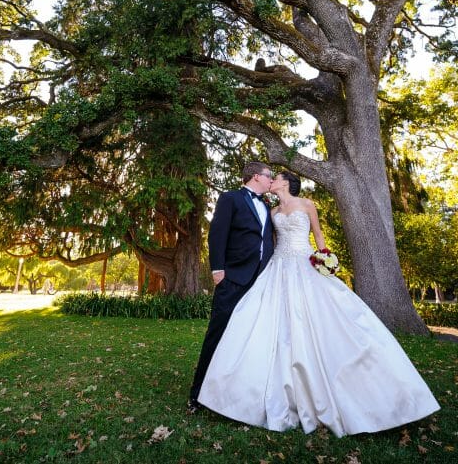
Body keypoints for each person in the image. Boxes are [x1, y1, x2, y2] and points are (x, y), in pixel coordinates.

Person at [197, 171, 440, 436]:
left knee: (327, 321)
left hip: (304, 263)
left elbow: (319, 236)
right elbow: (265, 242)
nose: (272, 182)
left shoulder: (307, 205)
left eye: (275, 178)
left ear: (286, 183)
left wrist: (325, 261)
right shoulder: (272, 210)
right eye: (270, 177)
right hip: (278, 268)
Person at [188, 160, 276, 413]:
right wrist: (218, 270)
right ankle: (198, 395)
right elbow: (217, 233)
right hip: (234, 277)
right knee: (218, 333)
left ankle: (237, 395)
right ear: (257, 177)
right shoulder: (231, 198)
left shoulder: (268, 205)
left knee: (249, 337)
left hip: (262, 279)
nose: (271, 181)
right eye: (269, 177)